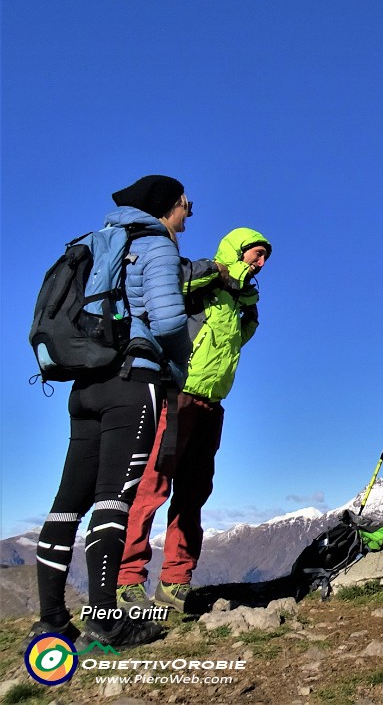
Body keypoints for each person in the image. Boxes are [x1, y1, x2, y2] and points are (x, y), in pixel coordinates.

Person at [33, 175, 206, 649]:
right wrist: (178, 361)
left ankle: (51, 619)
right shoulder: (156, 245)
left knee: (68, 500)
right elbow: (169, 319)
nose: (189, 210)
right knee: (114, 500)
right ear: (168, 205)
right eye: (186, 202)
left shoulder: (95, 240)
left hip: (85, 384)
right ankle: (106, 619)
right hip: (133, 383)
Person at [116, 227, 271, 613]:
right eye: (256, 254)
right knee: (151, 487)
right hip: (176, 395)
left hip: (211, 405)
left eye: (265, 258)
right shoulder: (200, 278)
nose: (262, 263)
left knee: (194, 493)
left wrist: (244, 299)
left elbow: (240, 340)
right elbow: (171, 285)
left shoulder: (241, 304)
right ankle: (126, 580)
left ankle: (175, 581)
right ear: (237, 251)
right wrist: (218, 272)